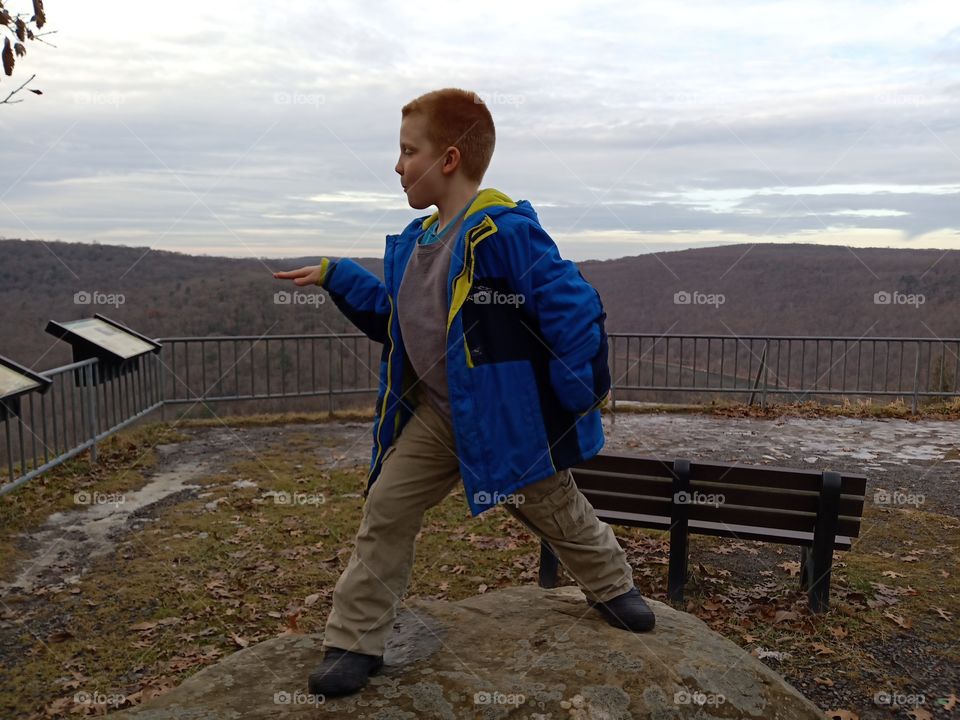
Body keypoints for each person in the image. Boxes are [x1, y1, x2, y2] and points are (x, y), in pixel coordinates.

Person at [273, 88, 655, 698]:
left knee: (553, 504)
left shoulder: (503, 233)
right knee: (386, 510)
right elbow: (396, 320)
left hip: (504, 418)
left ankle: (613, 587)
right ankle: (354, 640)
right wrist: (338, 275)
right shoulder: (415, 242)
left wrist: (566, 398)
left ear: (448, 159)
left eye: (407, 151)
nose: (397, 166)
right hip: (436, 416)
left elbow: (574, 311)